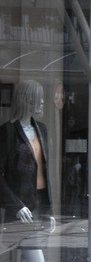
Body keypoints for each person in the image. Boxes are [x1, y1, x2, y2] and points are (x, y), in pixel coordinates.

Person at [2, 79, 50, 224]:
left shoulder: (42, 129)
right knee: (26, 246)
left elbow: (44, 169)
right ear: (27, 100)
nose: (42, 102)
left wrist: (49, 210)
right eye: (38, 98)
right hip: (20, 208)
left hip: (40, 204)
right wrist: (16, 206)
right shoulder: (8, 131)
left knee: (39, 246)